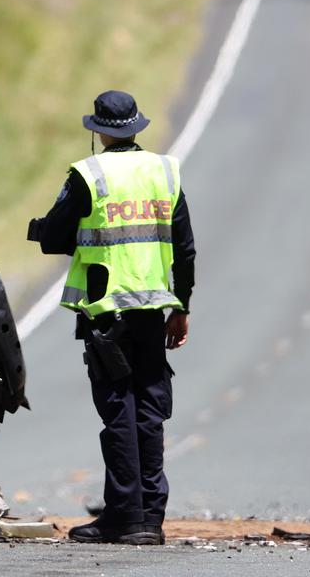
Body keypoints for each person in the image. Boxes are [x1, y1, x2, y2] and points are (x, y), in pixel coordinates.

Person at [27, 90, 195, 546]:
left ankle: (125, 516)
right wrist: (180, 308)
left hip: (107, 315)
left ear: (99, 132)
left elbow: (55, 236)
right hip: (153, 313)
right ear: (136, 128)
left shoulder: (89, 174)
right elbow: (184, 248)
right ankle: (150, 518)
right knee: (149, 414)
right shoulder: (165, 171)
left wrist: (46, 229)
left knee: (119, 412)